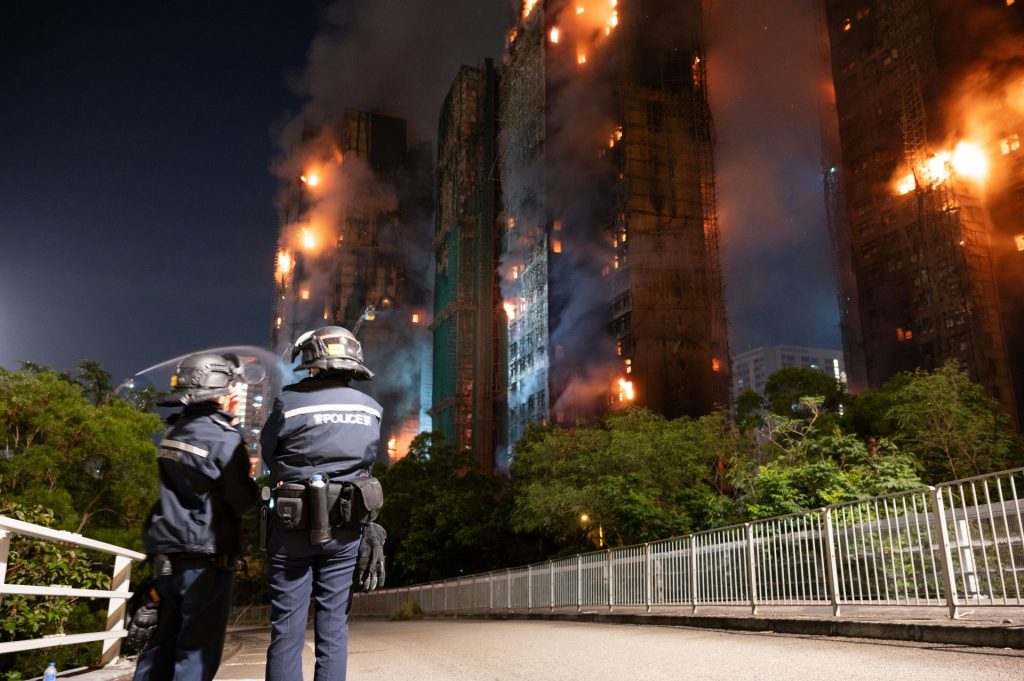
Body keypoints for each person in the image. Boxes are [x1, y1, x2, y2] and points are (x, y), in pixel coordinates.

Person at [261, 326, 387, 681]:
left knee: (286, 631)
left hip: (291, 526)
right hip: (346, 528)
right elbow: (365, 466)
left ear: (313, 361)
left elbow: (269, 453)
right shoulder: (371, 409)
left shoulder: (288, 402)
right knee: (334, 628)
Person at [132, 352, 258, 681]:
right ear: (220, 389)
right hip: (204, 562)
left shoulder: (175, 430)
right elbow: (242, 501)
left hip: (165, 560)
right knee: (195, 656)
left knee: (158, 649)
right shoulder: (224, 438)